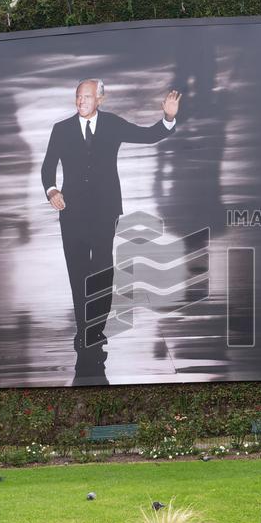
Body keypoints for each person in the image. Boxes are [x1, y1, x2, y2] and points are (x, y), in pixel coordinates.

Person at [41, 79, 181, 374]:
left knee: (103, 270)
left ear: (100, 99)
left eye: (88, 96)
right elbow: (47, 166)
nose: (81, 101)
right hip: (72, 213)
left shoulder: (113, 124)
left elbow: (149, 135)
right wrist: (52, 191)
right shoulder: (61, 129)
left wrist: (168, 118)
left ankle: (96, 328)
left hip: (105, 212)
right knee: (77, 272)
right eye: (78, 95)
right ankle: (84, 329)